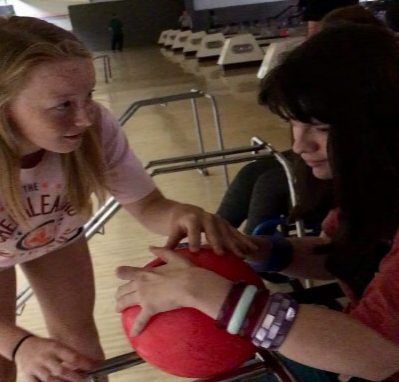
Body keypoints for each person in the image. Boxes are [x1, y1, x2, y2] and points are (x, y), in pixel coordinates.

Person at [115, 24, 399, 381]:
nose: (298, 146)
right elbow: (344, 254)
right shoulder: (375, 186)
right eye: (293, 125)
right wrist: (257, 250)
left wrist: (210, 294)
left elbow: (379, 354)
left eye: (321, 128)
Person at [0, 16, 255, 382]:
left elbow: (149, 206)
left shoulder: (94, 128)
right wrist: (20, 346)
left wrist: (181, 214)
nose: (85, 117)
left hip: (55, 236)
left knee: (77, 352)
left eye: (88, 96)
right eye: (62, 105)